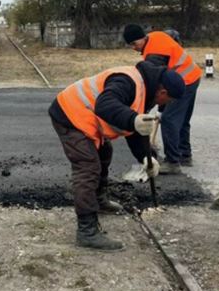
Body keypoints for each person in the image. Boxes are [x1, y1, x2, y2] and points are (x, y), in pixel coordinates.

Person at [48, 61, 185, 251]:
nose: (165, 105)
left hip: (84, 117)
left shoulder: (146, 90)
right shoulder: (127, 81)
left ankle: (99, 200)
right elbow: (105, 106)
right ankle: (87, 231)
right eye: (168, 100)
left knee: (105, 152)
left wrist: (146, 157)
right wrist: (133, 119)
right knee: (88, 166)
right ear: (162, 92)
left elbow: (134, 129)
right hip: (70, 114)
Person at [123, 24, 201, 174]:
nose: (133, 47)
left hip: (182, 82)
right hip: (193, 76)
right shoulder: (156, 36)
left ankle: (172, 162)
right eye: (130, 45)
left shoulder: (154, 54)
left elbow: (153, 85)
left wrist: (148, 109)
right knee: (182, 119)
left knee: (169, 119)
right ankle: (184, 154)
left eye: (134, 43)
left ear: (142, 38)